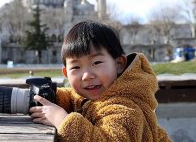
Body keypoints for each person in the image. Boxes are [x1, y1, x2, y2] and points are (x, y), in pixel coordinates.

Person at [29, 20, 171, 141]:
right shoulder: (93, 94)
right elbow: (73, 97)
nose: (86, 76)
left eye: (96, 63)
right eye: (76, 67)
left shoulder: (126, 109)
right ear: (66, 73)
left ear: (119, 64)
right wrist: (48, 95)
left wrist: (62, 121)